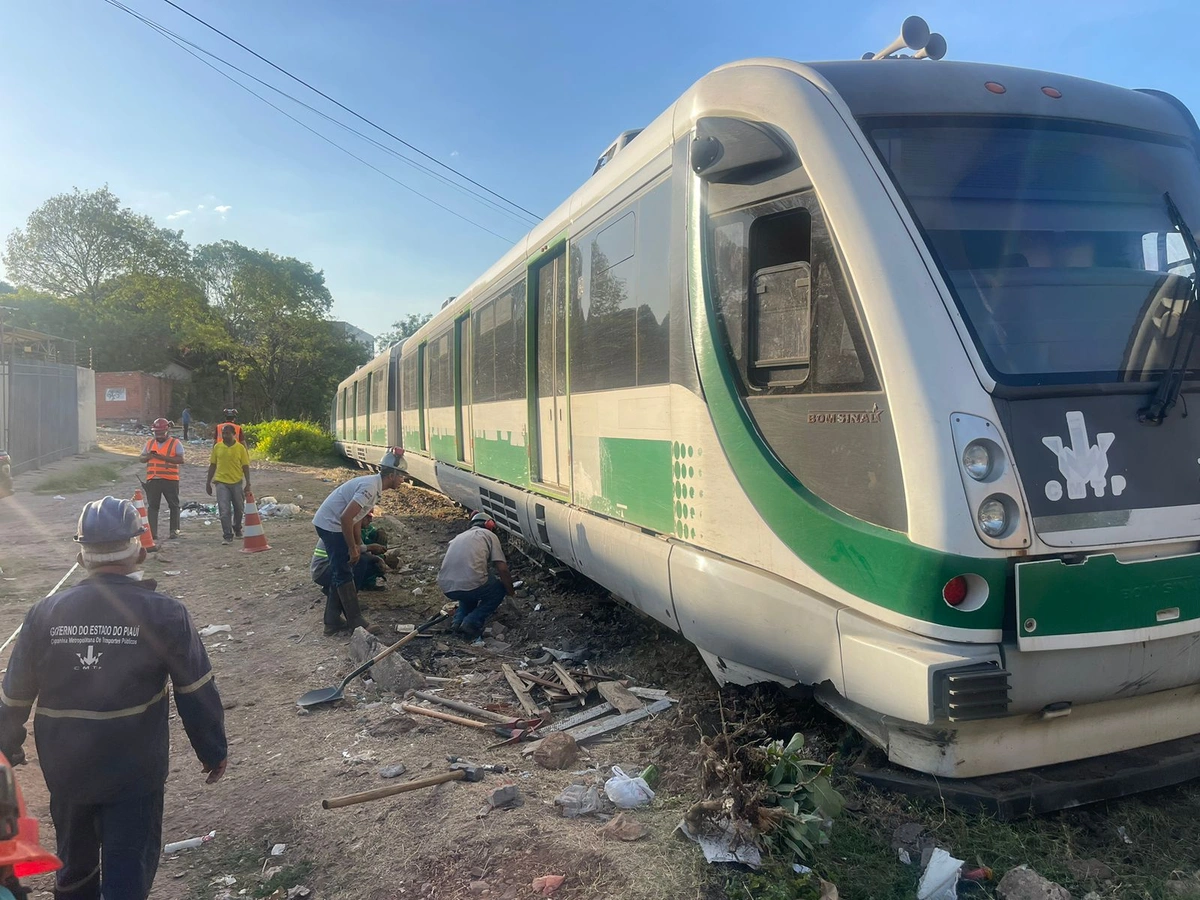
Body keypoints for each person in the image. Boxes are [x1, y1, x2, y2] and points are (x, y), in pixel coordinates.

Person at [0, 496, 227, 900]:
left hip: (66, 769)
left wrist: (5, 745)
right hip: (133, 770)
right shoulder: (166, 614)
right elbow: (194, 689)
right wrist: (212, 749)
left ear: (81, 555)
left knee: (75, 864)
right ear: (140, 550)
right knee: (128, 865)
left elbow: (14, 695)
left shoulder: (45, 613)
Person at [311, 450, 407, 637]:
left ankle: (331, 621)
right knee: (344, 572)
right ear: (391, 475)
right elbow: (346, 517)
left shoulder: (374, 487)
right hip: (331, 526)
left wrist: (357, 546)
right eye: (401, 475)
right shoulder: (369, 487)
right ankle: (356, 622)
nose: (403, 479)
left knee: (345, 569)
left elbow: (356, 520)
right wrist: (352, 548)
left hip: (332, 524)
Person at [438, 511, 515, 640]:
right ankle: (471, 622)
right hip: (470, 584)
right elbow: (502, 569)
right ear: (489, 525)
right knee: (498, 589)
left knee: (468, 594)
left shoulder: (458, 537)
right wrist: (510, 590)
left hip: (447, 587)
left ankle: (457, 623)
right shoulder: (489, 535)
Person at [310, 513, 388, 634]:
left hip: (329, 567)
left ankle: (334, 619)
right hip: (322, 570)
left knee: (367, 563)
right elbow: (353, 553)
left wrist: (379, 559)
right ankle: (348, 616)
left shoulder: (353, 529)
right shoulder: (344, 529)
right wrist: (370, 548)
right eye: (368, 516)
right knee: (359, 563)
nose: (371, 520)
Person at [139, 417, 183, 547]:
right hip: (153, 480)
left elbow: (181, 459)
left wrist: (162, 457)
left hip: (170, 480)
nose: (158, 436)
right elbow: (141, 458)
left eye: (161, 433)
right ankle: (152, 532)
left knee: (174, 505)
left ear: (167, 430)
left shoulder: (175, 443)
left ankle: (174, 530)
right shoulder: (149, 444)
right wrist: (149, 456)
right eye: (156, 433)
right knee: (153, 507)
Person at [206, 424, 252, 543]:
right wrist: (208, 482)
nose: (225, 436)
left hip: (236, 482)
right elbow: (213, 465)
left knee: (239, 508)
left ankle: (237, 528)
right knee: (224, 510)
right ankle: (227, 535)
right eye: (223, 434)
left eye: (227, 433)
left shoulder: (240, 448)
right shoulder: (217, 447)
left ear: (234, 434)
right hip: (221, 482)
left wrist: (248, 483)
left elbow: (245, 466)